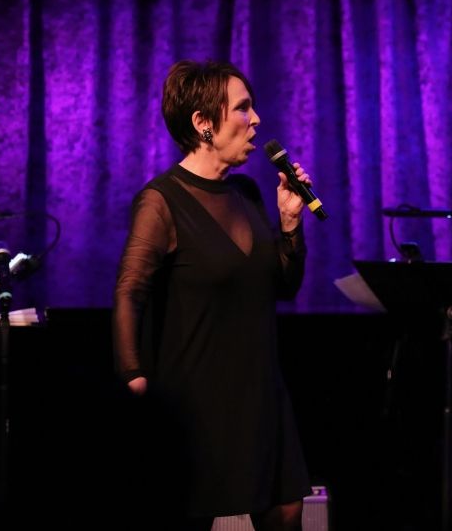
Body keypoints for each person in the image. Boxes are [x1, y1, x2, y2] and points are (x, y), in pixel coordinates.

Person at [112, 60, 311, 530]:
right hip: (194, 396)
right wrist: (134, 377)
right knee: (191, 512)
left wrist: (289, 226)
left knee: (285, 508)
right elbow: (128, 291)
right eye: (242, 108)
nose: (256, 119)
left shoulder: (247, 193)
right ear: (203, 124)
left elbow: (285, 287)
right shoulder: (161, 201)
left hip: (259, 389)